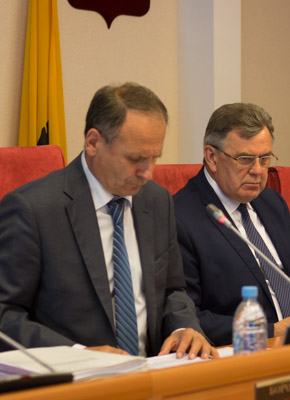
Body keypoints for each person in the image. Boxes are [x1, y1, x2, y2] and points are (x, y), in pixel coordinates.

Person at [0, 83, 216, 359]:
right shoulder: (33, 209)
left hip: (151, 372)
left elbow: (172, 290)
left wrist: (183, 327)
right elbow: (5, 315)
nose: (147, 173)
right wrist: (79, 355)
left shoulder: (156, 200)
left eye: (154, 158)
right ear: (93, 142)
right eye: (136, 158)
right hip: (75, 377)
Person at [174, 103, 290, 346]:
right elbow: (188, 315)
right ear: (212, 157)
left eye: (264, 158)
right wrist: (269, 330)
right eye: (245, 159)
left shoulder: (271, 201)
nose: (258, 171)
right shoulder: (179, 217)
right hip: (247, 350)